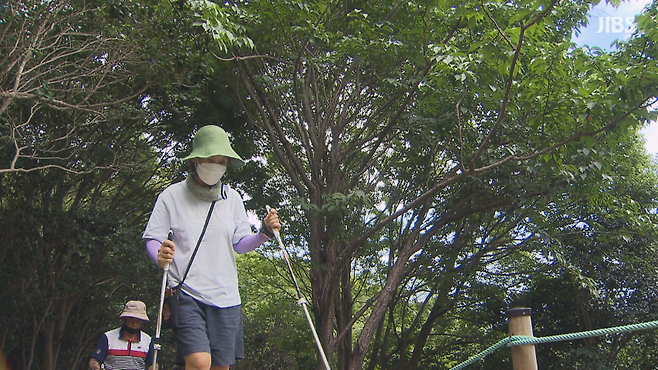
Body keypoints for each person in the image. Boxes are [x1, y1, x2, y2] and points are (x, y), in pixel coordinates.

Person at [142, 125, 280, 370]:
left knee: (219, 367)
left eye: (222, 161)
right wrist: (160, 256)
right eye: (210, 159)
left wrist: (264, 233)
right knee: (198, 361)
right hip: (185, 292)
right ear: (195, 159)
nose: (216, 165)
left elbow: (239, 244)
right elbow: (153, 239)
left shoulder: (233, 198)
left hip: (226, 296)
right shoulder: (171, 196)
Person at [89, 300, 154, 370]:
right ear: (124, 319)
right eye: (131, 319)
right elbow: (95, 360)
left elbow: (152, 364)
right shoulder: (108, 337)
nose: (135, 324)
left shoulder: (148, 341)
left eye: (138, 320)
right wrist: (95, 367)